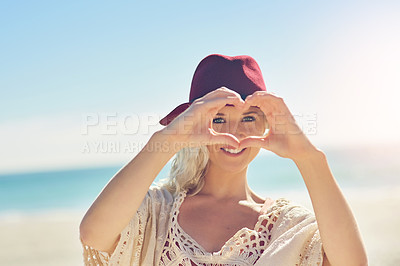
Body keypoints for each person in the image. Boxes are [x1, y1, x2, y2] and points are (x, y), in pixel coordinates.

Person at [79, 54, 368, 265]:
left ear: (267, 124)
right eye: (219, 118)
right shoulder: (156, 210)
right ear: (193, 124)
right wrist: (166, 141)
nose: (235, 133)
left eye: (249, 118)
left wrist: (310, 159)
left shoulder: (286, 226)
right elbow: (93, 234)